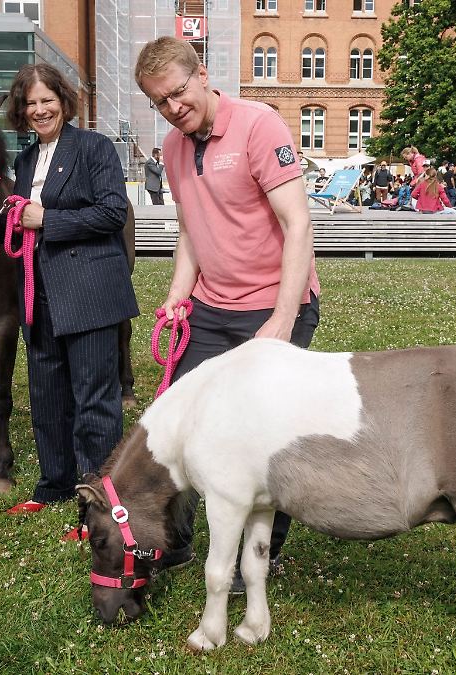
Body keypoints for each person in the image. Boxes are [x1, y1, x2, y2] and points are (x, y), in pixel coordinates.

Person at [135, 36, 321, 586]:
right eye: (159, 101)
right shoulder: (171, 147)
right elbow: (191, 226)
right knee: (187, 428)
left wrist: (282, 321)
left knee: (269, 436)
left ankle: (261, 555)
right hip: (210, 307)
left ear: (202, 74)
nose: (173, 107)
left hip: (274, 303)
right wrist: (178, 291)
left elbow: (298, 224)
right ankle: (178, 541)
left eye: (177, 92)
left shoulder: (259, 125)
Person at [1, 63, 139, 526]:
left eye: (47, 100)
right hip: (37, 295)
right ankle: (55, 483)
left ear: (64, 100)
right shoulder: (23, 161)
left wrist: (48, 221)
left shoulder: (94, 148)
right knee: (47, 396)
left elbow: (112, 211)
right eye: (31, 103)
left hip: (90, 293)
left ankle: (97, 500)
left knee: (94, 400)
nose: (40, 110)